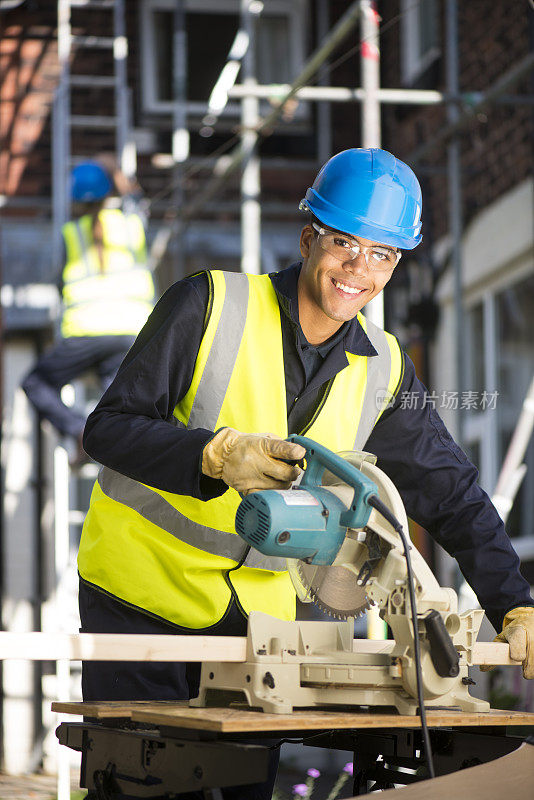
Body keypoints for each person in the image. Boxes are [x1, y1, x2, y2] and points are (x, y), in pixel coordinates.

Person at [77, 148, 534, 799]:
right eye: (345, 242)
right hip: (139, 605)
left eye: (382, 254)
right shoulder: (208, 305)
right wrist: (210, 456)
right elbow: (108, 428)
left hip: (257, 632)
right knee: (144, 788)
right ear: (307, 237)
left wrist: (513, 602)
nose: (359, 268)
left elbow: (451, 491)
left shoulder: (382, 367)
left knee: (239, 789)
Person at [22, 159, 155, 463]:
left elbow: (58, 281)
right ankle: (111, 447)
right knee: (115, 402)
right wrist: (114, 168)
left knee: (36, 383)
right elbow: (138, 198)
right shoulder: (133, 224)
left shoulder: (70, 233)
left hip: (85, 333)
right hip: (131, 332)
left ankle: (80, 432)